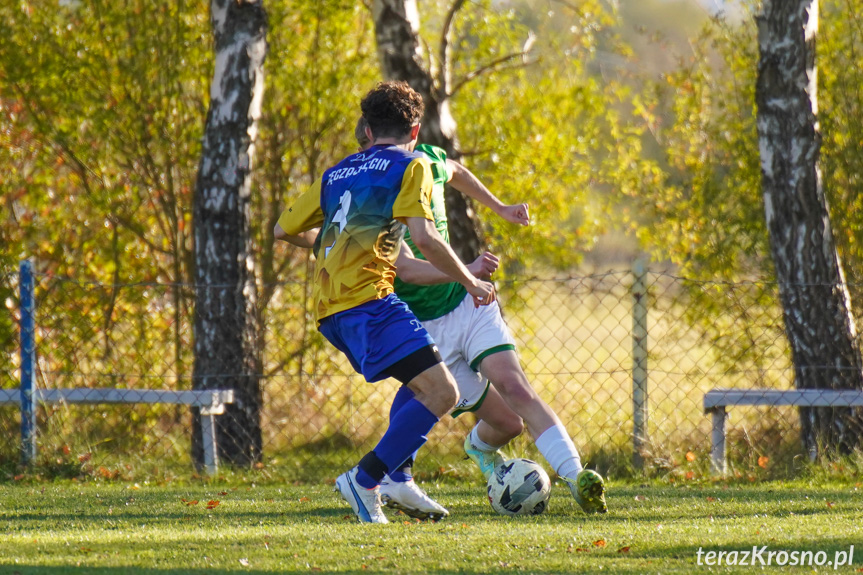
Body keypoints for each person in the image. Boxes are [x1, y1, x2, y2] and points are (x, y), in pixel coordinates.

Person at [353, 118, 608, 516]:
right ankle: (385, 476)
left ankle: (577, 478)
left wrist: (501, 207)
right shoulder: (368, 190)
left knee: (515, 386)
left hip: (467, 305)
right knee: (507, 425)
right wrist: (468, 272)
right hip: (424, 326)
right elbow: (406, 269)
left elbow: (457, 172)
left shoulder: (428, 160)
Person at [274, 81, 496, 524]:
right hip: (369, 302)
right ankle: (365, 478)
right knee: (443, 391)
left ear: (369, 129)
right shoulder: (410, 165)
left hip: (329, 309)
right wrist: (470, 280)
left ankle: (395, 477)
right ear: (415, 130)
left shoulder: (336, 173)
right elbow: (425, 238)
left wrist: (331, 248)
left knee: (421, 383)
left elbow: (283, 229)